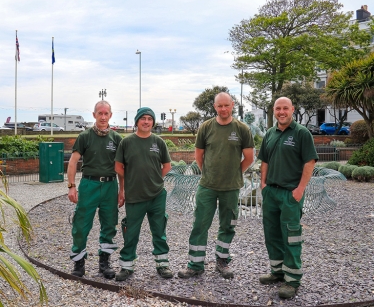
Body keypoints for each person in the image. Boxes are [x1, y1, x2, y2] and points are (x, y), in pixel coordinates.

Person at [178, 92, 254, 279]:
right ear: (214, 107)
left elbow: (249, 158)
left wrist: (235, 173)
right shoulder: (206, 127)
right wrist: (209, 173)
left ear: (232, 105)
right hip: (207, 187)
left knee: (228, 225)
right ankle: (195, 264)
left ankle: (222, 262)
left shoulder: (241, 129)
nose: (223, 109)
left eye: (226, 105)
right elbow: (198, 157)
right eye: (219, 106)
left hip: (231, 188)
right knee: (200, 224)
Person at [258, 97, 318, 299]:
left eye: (285, 108)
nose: (281, 112)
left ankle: (292, 280)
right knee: (272, 233)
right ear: (273, 110)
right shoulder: (270, 133)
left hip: (290, 194)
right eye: (278, 108)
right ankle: (277, 272)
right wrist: (263, 185)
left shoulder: (302, 133)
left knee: (291, 236)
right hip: (271, 193)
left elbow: (310, 162)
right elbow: (264, 161)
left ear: (292, 109)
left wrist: (300, 189)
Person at [114, 107, 173, 281]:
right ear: (137, 121)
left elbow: (167, 166)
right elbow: (118, 167)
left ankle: (162, 264)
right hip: (134, 196)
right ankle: (127, 266)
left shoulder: (158, 142)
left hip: (157, 195)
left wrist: (155, 179)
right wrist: (123, 188)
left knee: (159, 231)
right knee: (131, 231)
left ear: (153, 122)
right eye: (143, 118)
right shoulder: (127, 142)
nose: (146, 121)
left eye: (149, 119)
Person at [67, 100, 123, 279]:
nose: (103, 117)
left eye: (107, 114)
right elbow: (73, 161)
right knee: (81, 224)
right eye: (100, 113)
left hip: (109, 185)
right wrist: (71, 186)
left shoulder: (116, 139)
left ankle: (104, 262)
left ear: (111, 115)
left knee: (109, 224)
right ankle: (79, 262)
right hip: (89, 185)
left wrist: (122, 190)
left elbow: (122, 167)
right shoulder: (85, 136)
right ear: (94, 115)